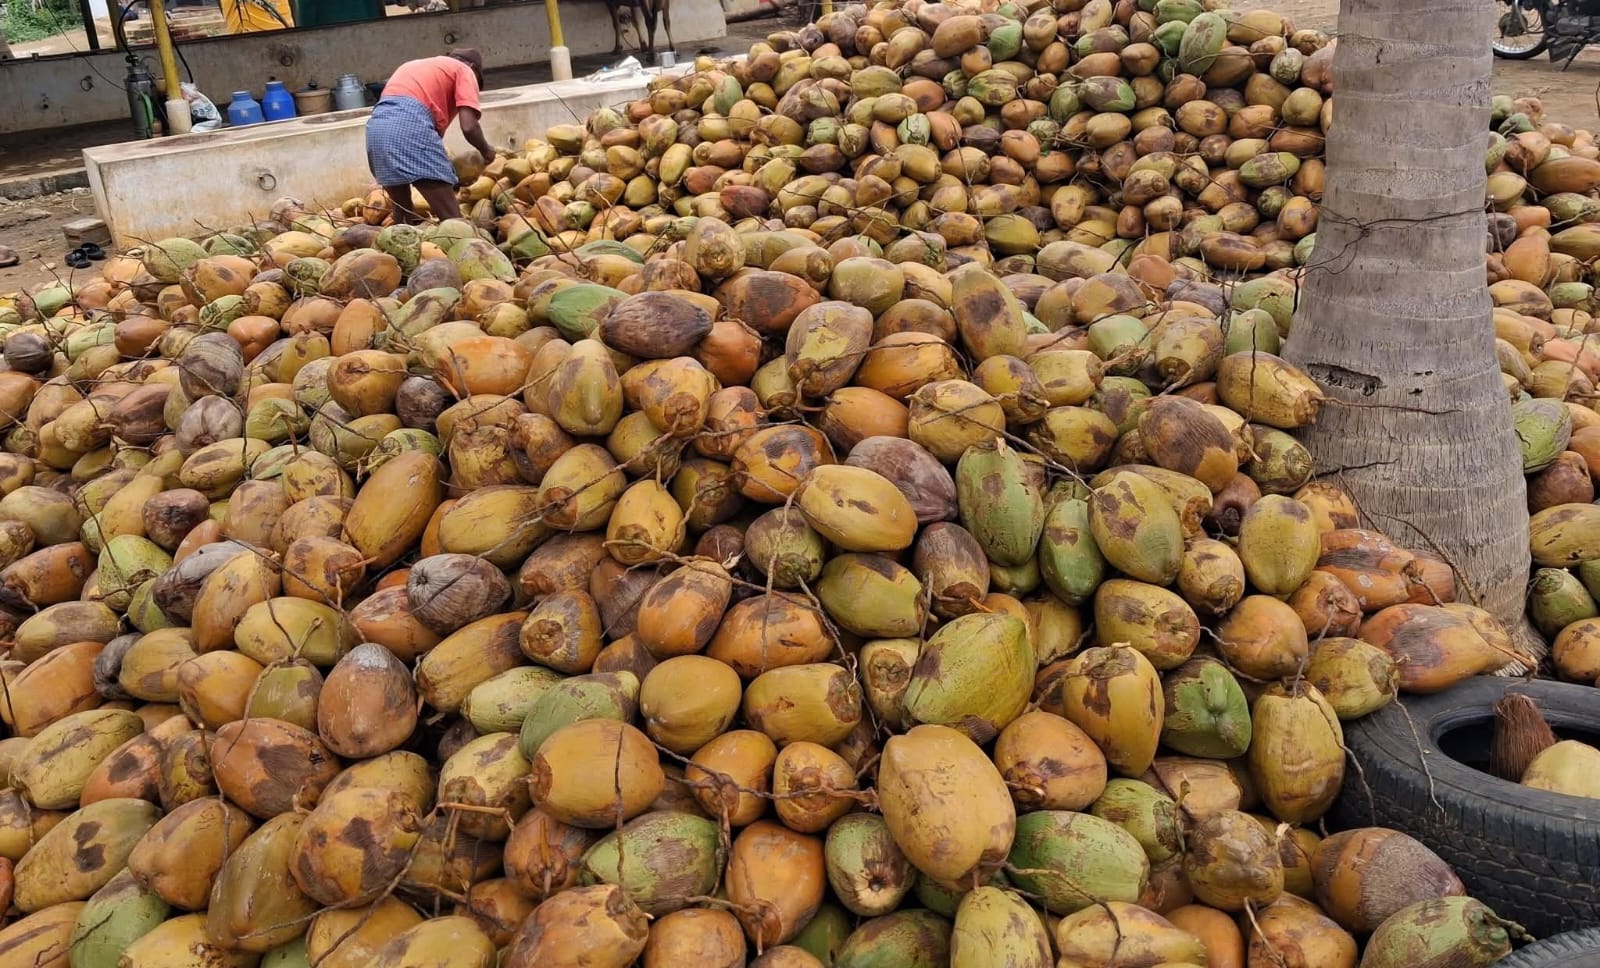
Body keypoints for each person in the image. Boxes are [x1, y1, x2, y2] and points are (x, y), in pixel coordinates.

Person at [364, 48, 494, 223]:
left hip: (376, 130)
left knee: (402, 218)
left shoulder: (415, 65)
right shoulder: (464, 70)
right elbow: (469, 127)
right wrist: (486, 151)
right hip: (409, 127)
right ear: (473, 67)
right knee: (453, 220)